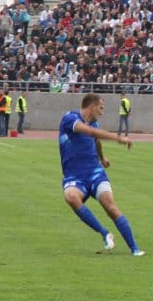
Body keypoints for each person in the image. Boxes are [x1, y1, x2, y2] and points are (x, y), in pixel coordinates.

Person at [59, 93, 144, 256]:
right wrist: (119, 138)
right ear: (92, 107)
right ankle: (104, 233)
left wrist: (102, 158)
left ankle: (135, 249)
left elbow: (96, 140)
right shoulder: (70, 118)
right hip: (75, 177)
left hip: (95, 172)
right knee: (70, 197)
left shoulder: (94, 124)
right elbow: (91, 133)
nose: (102, 112)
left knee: (110, 206)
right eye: (101, 108)